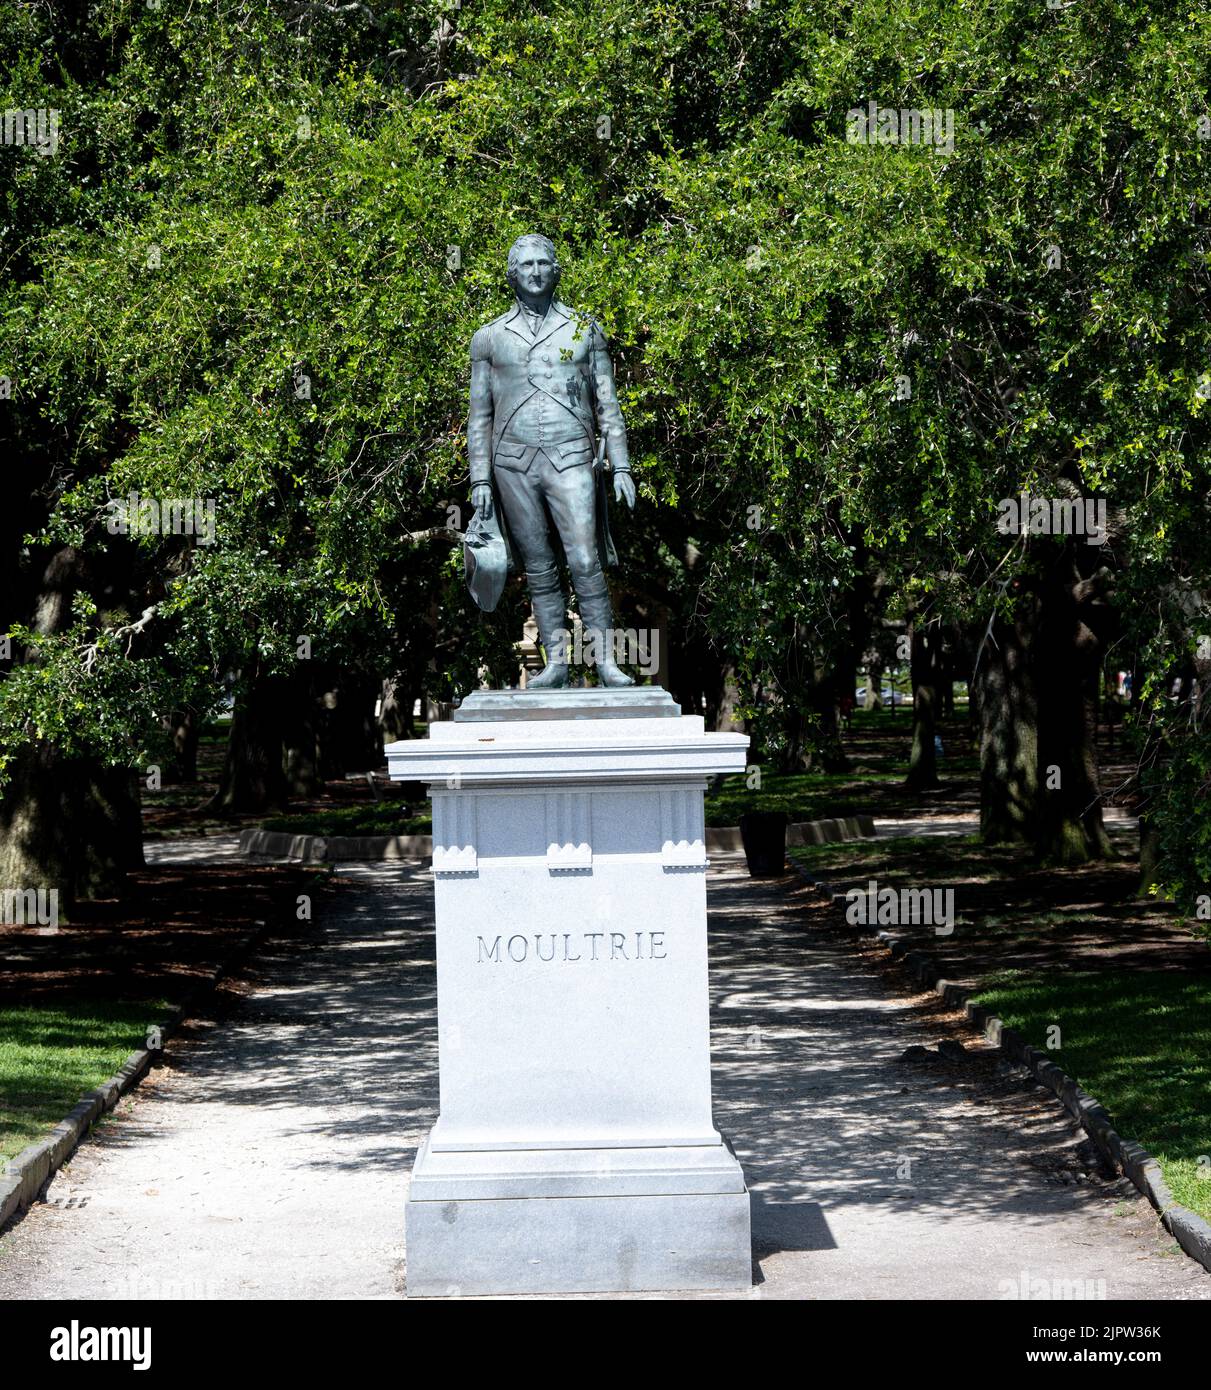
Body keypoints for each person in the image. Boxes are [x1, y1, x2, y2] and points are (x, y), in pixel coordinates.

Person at [467, 234, 636, 688]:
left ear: (556, 270)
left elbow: (608, 405)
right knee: (538, 565)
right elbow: (479, 416)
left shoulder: (585, 329)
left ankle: (605, 663)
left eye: (544, 263)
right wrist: (479, 479)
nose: (536, 271)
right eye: (527, 265)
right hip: (512, 463)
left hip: (574, 458)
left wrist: (620, 465)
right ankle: (557, 665)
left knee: (584, 560)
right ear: (512, 275)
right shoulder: (488, 338)